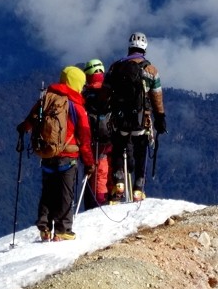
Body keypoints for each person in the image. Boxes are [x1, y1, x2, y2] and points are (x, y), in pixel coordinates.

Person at [17, 66, 94, 241]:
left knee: (48, 191)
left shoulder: (47, 99)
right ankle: (63, 230)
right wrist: (89, 163)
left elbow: (30, 120)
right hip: (68, 157)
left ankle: (44, 227)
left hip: (48, 154)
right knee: (65, 194)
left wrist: (23, 129)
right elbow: (85, 138)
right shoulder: (77, 107)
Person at [102, 32, 165, 203]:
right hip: (141, 121)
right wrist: (160, 118)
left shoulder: (115, 67)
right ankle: (138, 189)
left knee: (118, 149)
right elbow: (156, 96)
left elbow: (105, 93)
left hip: (120, 121)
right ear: (145, 48)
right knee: (141, 152)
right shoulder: (151, 70)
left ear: (129, 47)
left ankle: (119, 183)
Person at [80, 58, 111, 209]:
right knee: (106, 170)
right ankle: (110, 196)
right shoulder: (109, 92)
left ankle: (98, 202)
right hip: (111, 139)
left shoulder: (85, 95)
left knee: (97, 171)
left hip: (91, 141)